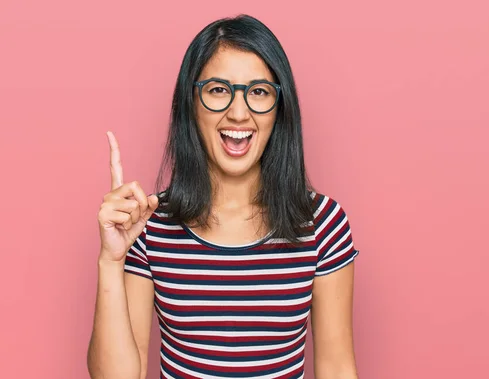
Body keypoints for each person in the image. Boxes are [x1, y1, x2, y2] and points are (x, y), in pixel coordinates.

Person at [87, 14, 360, 379]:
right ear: (191, 102)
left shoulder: (323, 223)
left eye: (259, 92)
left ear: (280, 108)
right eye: (218, 90)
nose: (238, 112)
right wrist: (111, 259)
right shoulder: (147, 225)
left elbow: (337, 366)